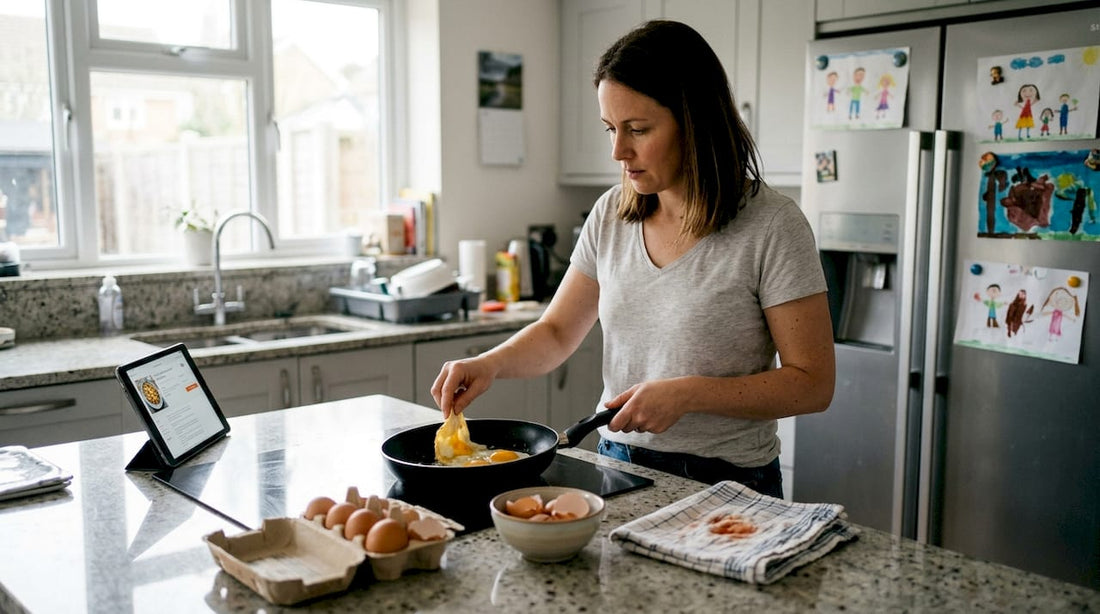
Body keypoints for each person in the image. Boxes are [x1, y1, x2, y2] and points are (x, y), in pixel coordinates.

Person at [431, 20, 835, 499]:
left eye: (637, 130)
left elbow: (812, 383)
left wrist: (687, 394)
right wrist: (490, 364)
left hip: (727, 484)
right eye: (610, 129)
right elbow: (559, 332)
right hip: (616, 466)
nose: (618, 150)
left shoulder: (773, 225)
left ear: (695, 121)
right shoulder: (610, 214)